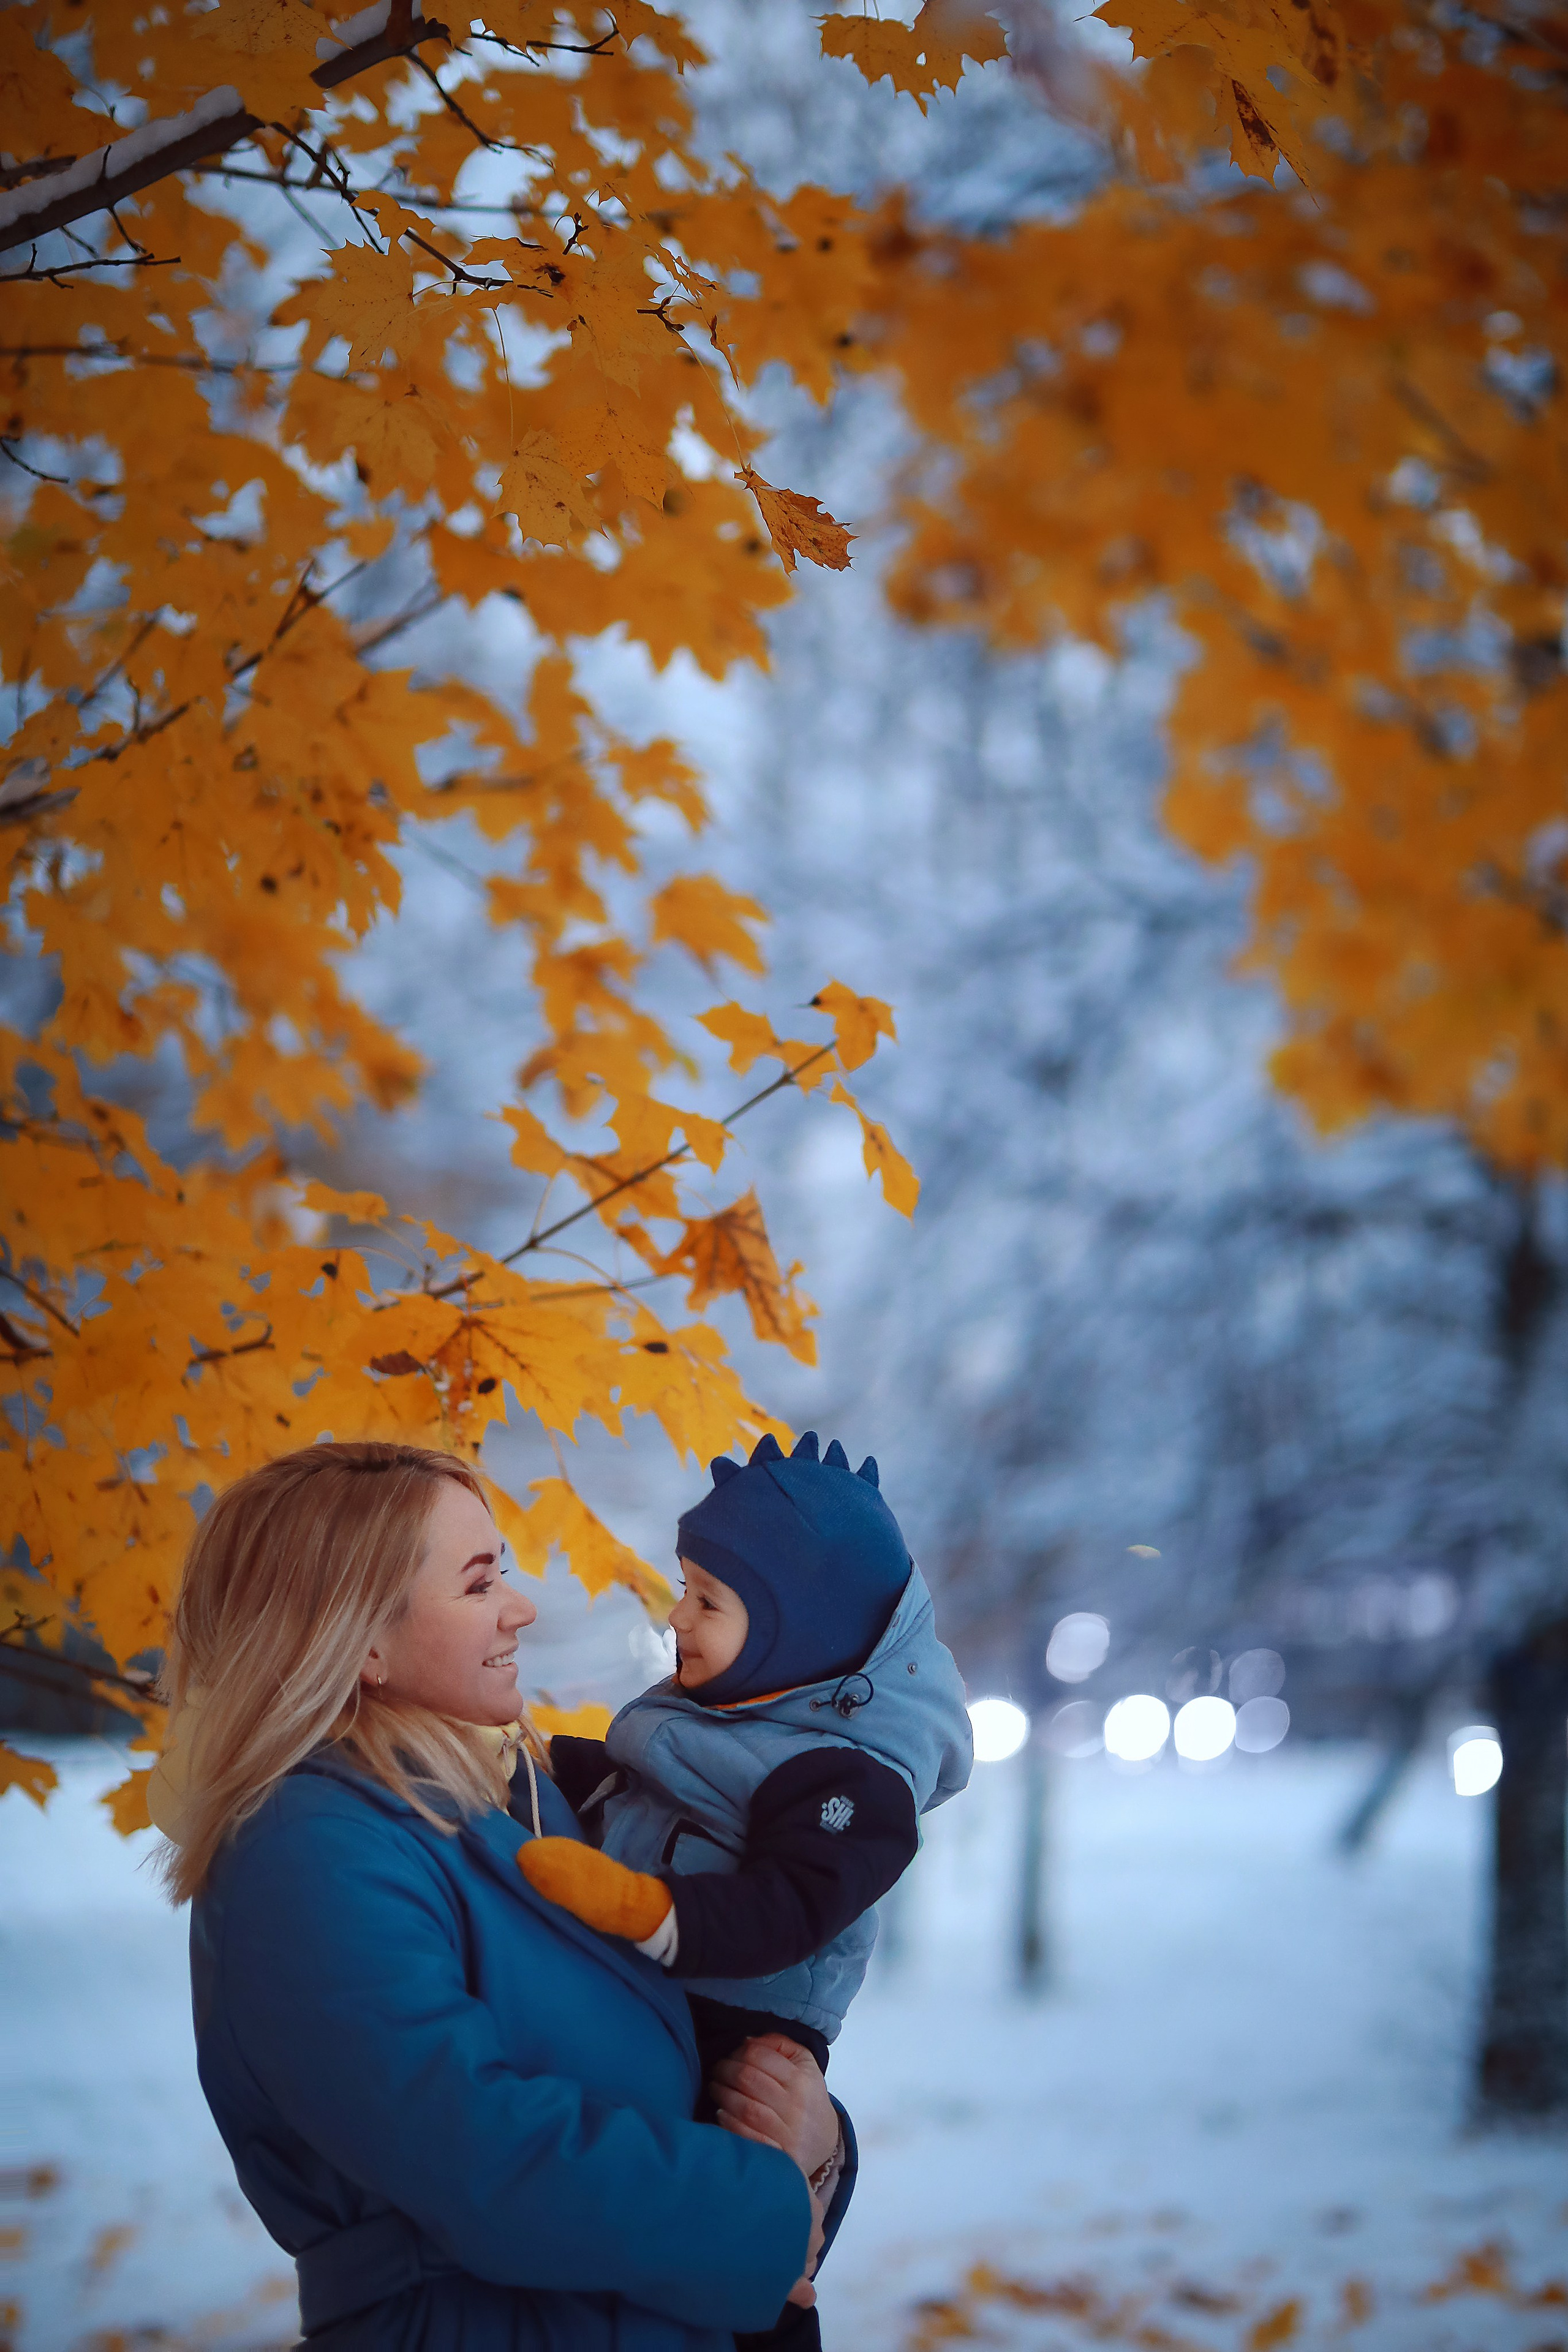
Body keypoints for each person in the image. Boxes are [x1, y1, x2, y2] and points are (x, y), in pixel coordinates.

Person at [146, 1440, 851, 2351]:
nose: (521, 1608)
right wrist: (763, 2204)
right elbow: (472, 2155)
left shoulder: (520, 1803)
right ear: (358, 1639)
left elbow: (667, 2069)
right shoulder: (306, 1848)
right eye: (480, 1585)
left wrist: (813, 2142)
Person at [521, 1432, 973, 2085]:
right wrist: (534, 1762)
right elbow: (642, 1795)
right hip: (648, 2001)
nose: (677, 1616)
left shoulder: (853, 1778)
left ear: (799, 1631)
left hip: (730, 2042)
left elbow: (790, 1907)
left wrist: (642, 1908)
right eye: (686, 1589)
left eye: (707, 1601)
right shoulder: (742, 1720)